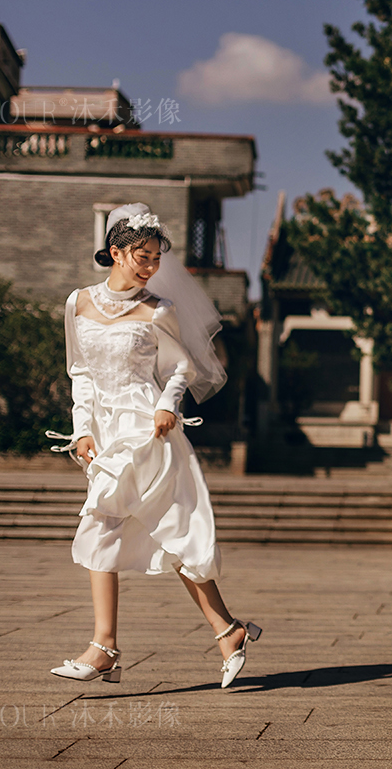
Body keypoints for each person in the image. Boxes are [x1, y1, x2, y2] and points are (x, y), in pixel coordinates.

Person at [47, 203, 261, 689]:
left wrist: (168, 404)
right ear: (115, 252)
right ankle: (223, 630)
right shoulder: (78, 303)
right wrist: (81, 430)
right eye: (141, 256)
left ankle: (112, 647)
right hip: (106, 435)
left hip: (149, 431)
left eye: (156, 258)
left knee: (158, 531)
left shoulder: (159, 308)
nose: (150, 266)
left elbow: (181, 367)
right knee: (114, 528)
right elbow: (80, 372)